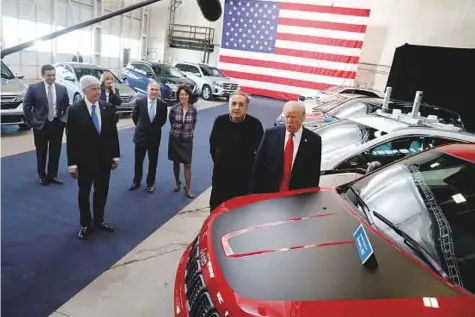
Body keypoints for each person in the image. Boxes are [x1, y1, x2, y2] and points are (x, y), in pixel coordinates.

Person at [66, 75, 120, 240]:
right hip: (84, 161)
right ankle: (85, 224)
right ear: (84, 91)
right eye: (94, 89)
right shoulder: (74, 110)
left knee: (102, 191)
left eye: (99, 88)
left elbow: (112, 134)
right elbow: (71, 139)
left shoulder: (108, 108)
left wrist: (115, 155)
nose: (98, 92)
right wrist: (72, 163)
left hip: (104, 159)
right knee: (84, 193)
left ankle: (99, 219)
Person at [249, 101, 322, 194]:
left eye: (293, 117)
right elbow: (258, 166)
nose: (289, 121)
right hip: (270, 194)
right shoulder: (270, 134)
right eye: (286, 116)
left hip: (297, 197)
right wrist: (253, 194)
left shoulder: (314, 140)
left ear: (303, 117)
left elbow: (313, 174)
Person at [209, 91, 264, 212]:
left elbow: (261, 154)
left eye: (241, 104)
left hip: (243, 182)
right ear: (229, 105)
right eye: (233, 104)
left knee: (239, 215)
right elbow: (213, 147)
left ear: (246, 108)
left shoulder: (255, 125)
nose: (236, 108)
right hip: (221, 179)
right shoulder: (220, 121)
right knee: (216, 212)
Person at [23, 64, 70, 186]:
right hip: (40, 125)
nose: (52, 77)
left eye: (54, 75)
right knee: (41, 152)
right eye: (49, 75)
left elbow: (67, 106)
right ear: (43, 75)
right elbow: (27, 106)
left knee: (55, 152)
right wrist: (32, 122)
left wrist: (63, 120)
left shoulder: (62, 89)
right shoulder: (33, 88)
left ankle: (52, 175)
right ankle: (42, 176)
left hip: (56, 124)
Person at [129, 81, 168, 193]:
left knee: (153, 162)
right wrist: (143, 127)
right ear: (147, 90)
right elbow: (135, 117)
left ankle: (151, 183)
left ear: (158, 92)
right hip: (140, 137)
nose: (154, 92)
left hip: (154, 138)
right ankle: (136, 181)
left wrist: (153, 129)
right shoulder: (140, 102)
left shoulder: (162, 105)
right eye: (152, 89)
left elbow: (162, 121)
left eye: (156, 90)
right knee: (138, 161)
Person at [168, 85, 198, 198]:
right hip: (175, 139)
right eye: (181, 94)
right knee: (175, 162)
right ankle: (177, 183)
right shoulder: (174, 109)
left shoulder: (193, 110)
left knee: (187, 164)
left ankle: (188, 187)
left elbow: (193, 124)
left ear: (189, 96)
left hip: (187, 140)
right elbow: (171, 122)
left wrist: (186, 133)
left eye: (186, 94)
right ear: (178, 96)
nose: (183, 96)